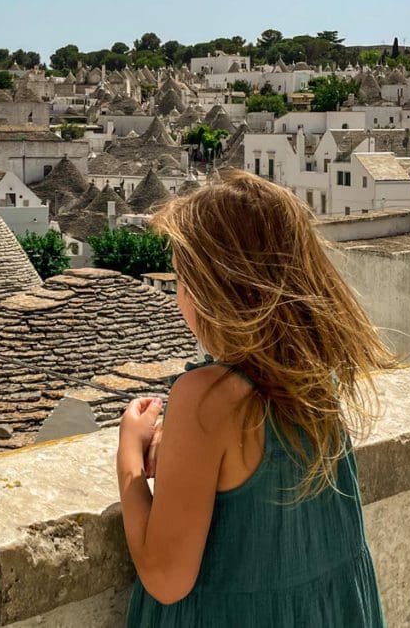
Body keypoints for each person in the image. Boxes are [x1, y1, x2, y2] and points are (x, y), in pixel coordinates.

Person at [118, 170, 393, 626]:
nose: (177, 296)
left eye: (182, 279)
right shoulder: (316, 376)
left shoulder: (207, 398)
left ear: (214, 290)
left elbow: (166, 577)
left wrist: (130, 455)